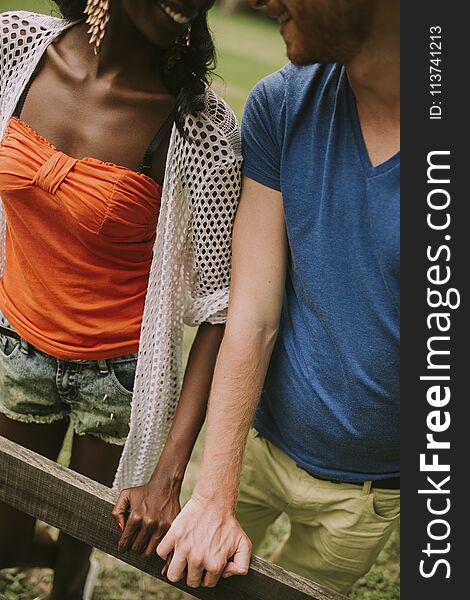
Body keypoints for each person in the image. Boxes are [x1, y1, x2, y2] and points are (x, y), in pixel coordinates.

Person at [154, 0, 400, 593]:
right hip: (255, 443)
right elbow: (254, 312)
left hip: (371, 494)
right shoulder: (281, 102)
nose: (262, 1)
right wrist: (214, 495)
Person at [0, 1, 241, 598]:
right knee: (4, 539)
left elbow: (217, 307)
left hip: (119, 381)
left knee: (87, 532)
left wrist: (170, 470)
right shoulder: (16, 51)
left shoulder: (199, 128)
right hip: (15, 345)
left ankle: (73, 575)